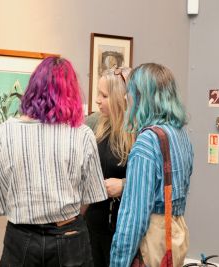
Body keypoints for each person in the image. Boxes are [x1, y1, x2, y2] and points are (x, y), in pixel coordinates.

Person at [0, 56, 108, 267]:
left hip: (21, 236)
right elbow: (91, 193)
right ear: (71, 92)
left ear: (32, 88)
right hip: (70, 235)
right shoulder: (82, 134)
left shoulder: (3, 132)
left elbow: (2, 195)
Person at [110, 63, 193, 266]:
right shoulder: (181, 134)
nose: (125, 98)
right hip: (175, 239)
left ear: (142, 97)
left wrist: (118, 261)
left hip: (151, 245)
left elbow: (134, 218)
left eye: (129, 92)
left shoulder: (147, 141)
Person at [84, 67, 134, 267]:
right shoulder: (93, 122)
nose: (97, 100)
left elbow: (154, 180)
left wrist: (124, 184)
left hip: (123, 230)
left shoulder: (138, 132)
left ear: (122, 98)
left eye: (104, 95)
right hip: (92, 225)